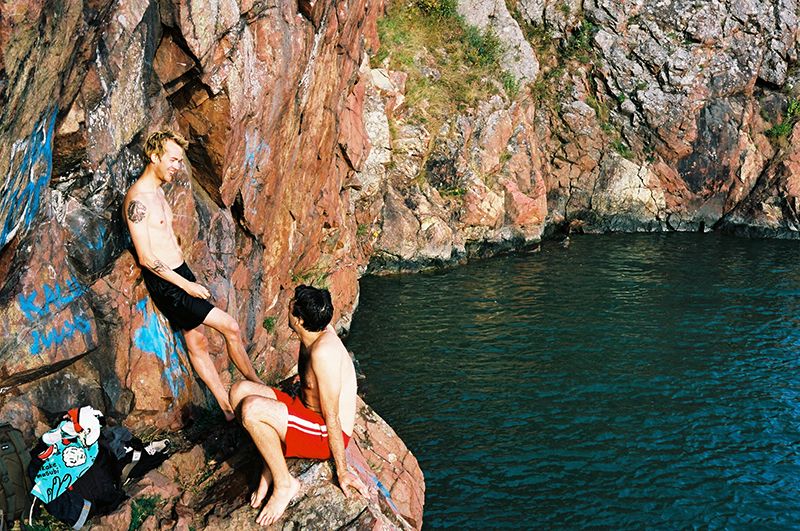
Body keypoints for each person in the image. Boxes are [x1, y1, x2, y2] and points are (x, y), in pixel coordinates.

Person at [124, 129, 262, 420]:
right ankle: (259, 386)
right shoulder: (138, 200)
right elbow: (147, 258)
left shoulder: (159, 191)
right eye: (172, 160)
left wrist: (186, 274)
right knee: (231, 327)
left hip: (180, 272)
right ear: (154, 157)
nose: (176, 167)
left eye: (179, 161)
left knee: (197, 341)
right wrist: (187, 286)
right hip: (169, 285)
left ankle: (226, 408)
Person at [229, 285, 369, 526]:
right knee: (239, 392)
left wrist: (343, 472)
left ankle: (285, 483)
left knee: (252, 409)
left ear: (300, 319)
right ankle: (270, 464)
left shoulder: (323, 352)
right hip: (303, 411)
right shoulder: (315, 330)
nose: (288, 305)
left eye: (292, 305)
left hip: (322, 431)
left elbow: (332, 416)